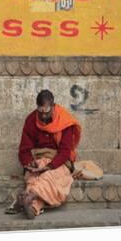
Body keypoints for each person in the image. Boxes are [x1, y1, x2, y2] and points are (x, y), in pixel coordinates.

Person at [13, 89, 82, 219]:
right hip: (39, 160)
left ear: (53, 106)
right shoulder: (31, 120)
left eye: (47, 112)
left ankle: (30, 195)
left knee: (48, 176)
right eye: (40, 112)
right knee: (34, 177)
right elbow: (24, 150)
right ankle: (33, 208)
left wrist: (50, 166)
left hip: (59, 162)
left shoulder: (65, 120)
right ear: (37, 108)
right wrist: (30, 163)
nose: (43, 116)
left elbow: (65, 151)